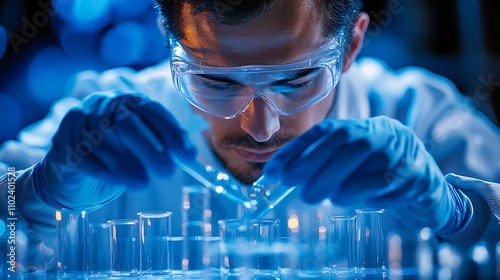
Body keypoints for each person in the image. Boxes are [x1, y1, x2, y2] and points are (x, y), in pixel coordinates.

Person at [1, 0, 499, 274]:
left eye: (296, 80)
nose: (259, 127)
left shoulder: (422, 116)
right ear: (171, 42)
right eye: (216, 81)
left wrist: (462, 213)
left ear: (350, 45)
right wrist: (34, 193)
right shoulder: (106, 129)